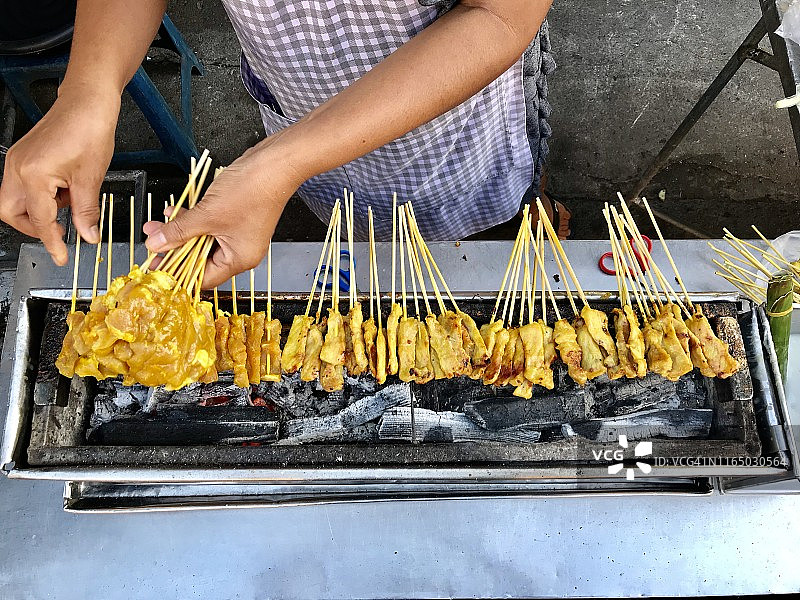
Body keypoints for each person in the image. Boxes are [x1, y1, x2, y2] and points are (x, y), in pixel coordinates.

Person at [0, 0, 561, 288]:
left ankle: (526, 225)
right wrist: (88, 88)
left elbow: (500, 15)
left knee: (493, 216)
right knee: (347, 214)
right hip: (296, 93)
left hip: (455, 115)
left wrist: (279, 166)